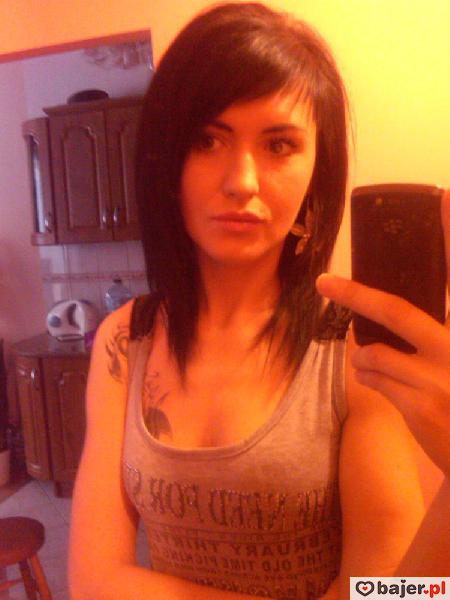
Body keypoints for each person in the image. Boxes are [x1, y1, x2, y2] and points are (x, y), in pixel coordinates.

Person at [68, 3, 448, 598]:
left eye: (279, 145)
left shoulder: (355, 350)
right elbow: (93, 579)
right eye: (207, 139)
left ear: (316, 169)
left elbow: (396, 593)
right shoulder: (125, 339)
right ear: (166, 160)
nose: (242, 181)